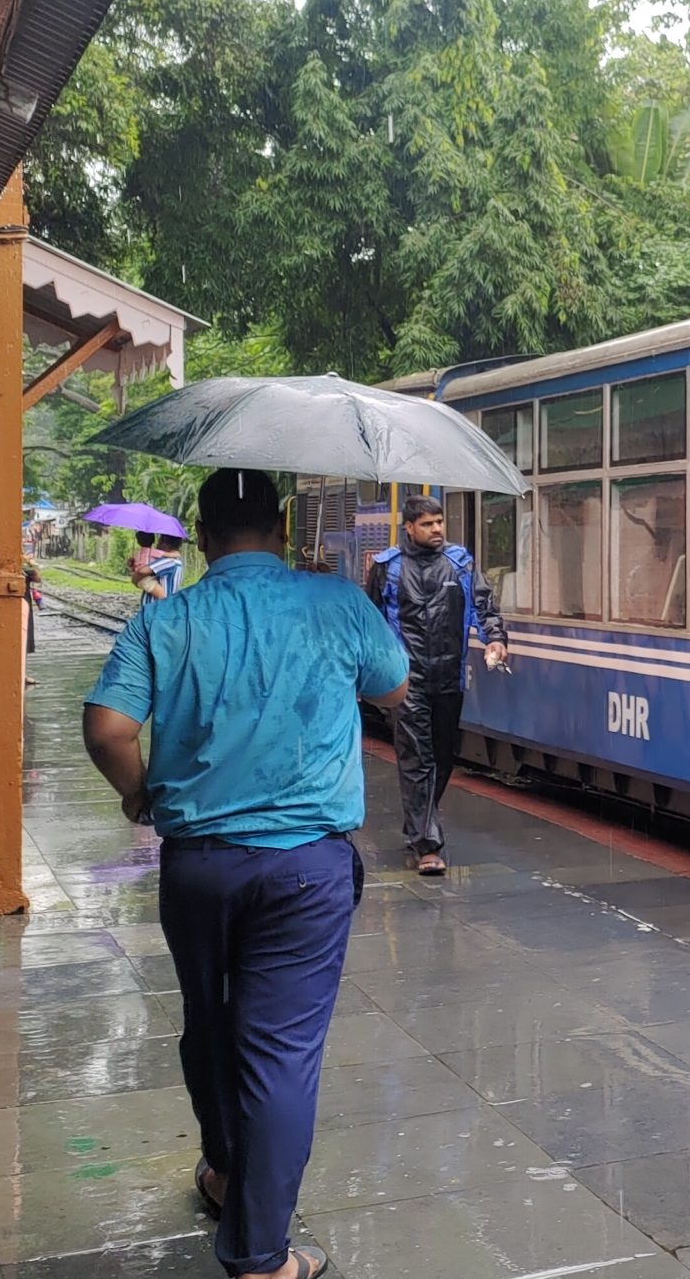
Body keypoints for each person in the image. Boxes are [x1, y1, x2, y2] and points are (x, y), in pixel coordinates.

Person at [83, 469, 408, 1279]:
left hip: (197, 866)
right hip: (305, 868)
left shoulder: (167, 618)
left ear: (200, 533)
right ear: (283, 525)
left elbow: (108, 726)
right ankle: (262, 1257)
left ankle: (226, 1173)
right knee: (281, 1052)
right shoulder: (335, 603)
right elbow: (397, 689)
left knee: (208, 1020)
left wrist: (140, 796)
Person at [365, 495, 506, 876]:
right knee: (417, 759)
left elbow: (484, 605)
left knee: (444, 757)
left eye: (440, 522)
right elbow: (370, 622)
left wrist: (495, 639)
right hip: (406, 679)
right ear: (409, 527)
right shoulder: (387, 568)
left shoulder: (460, 563)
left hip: (449, 677)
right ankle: (426, 844)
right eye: (428, 524)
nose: (438, 529)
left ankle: (421, 824)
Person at [132, 531, 186, 604]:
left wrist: (136, 574)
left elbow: (142, 571)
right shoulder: (176, 562)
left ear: (164, 543)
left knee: (162, 596)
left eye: (160, 540)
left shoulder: (168, 561)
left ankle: (167, 603)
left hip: (155, 608)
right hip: (154, 608)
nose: (157, 544)